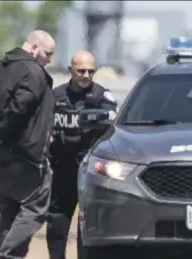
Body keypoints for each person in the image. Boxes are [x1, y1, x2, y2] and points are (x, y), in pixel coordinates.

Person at [0, 30, 56, 259]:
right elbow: (21, 107)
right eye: (47, 53)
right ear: (33, 48)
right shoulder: (34, 72)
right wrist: (0, 135)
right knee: (35, 209)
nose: (49, 60)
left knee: (9, 212)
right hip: (26, 155)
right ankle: (8, 255)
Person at [46, 51, 117, 259]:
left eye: (90, 71)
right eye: (81, 71)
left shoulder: (101, 95)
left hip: (90, 167)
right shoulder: (56, 95)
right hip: (62, 166)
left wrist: (88, 117)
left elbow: (112, 116)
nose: (86, 75)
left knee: (89, 222)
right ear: (71, 70)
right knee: (57, 220)